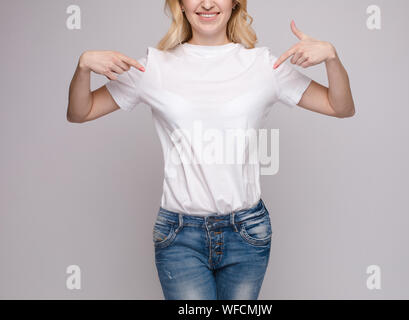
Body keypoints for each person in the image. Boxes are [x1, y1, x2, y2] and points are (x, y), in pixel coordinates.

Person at [66, 0, 355, 300]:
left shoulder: (264, 66)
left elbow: (340, 106)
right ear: (180, 4)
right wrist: (83, 65)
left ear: (234, 4)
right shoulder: (153, 67)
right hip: (179, 236)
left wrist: (332, 58)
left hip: (247, 232)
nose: (206, 3)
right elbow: (80, 111)